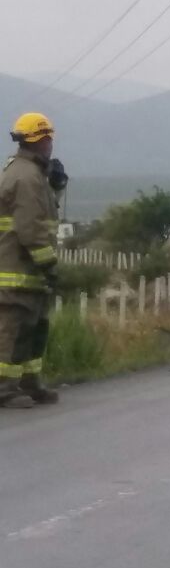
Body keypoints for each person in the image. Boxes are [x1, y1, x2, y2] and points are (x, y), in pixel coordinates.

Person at [0, 113, 63, 408]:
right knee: (12, 330)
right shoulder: (26, 177)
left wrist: (56, 187)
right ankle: (4, 388)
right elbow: (31, 229)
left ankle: (29, 382)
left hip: (27, 271)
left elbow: (42, 216)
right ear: (41, 141)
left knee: (33, 329)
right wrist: (49, 264)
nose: (50, 144)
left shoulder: (32, 174)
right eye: (47, 139)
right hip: (17, 270)